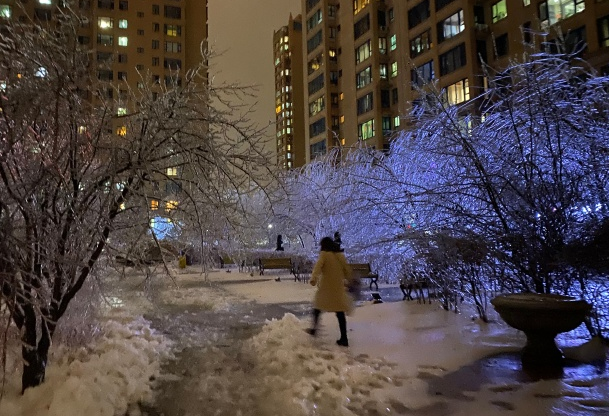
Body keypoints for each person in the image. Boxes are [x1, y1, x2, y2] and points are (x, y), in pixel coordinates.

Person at [306, 236, 354, 347]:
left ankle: (314, 329)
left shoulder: (324, 255)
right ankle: (344, 338)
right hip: (338, 287)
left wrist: (314, 278)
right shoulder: (340, 256)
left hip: (326, 287)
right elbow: (347, 270)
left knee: (317, 307)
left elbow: (318, 267)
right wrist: (350, 280)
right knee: (340, 312)